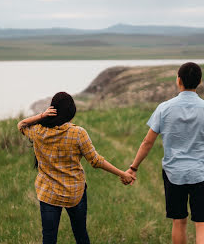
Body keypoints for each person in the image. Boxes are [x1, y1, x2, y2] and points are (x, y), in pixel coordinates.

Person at [125, 62, 204, 244]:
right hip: (202, 172)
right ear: (200, 81)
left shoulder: (164, 108)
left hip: (173, 173)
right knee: (202, 223)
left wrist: (133, 167)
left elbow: (147, 142)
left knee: (179, 221)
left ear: (178, 80)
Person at [18, 92, 135, 244]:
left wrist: (42, 115)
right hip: (74, 192)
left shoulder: (38, 131)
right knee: (80, 234)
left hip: (48, 194)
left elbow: (21, 125)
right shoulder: (78, 133)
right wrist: (122, 174)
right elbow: (96, 160)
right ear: (71, 112)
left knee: (49, 238)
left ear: (52, 110)